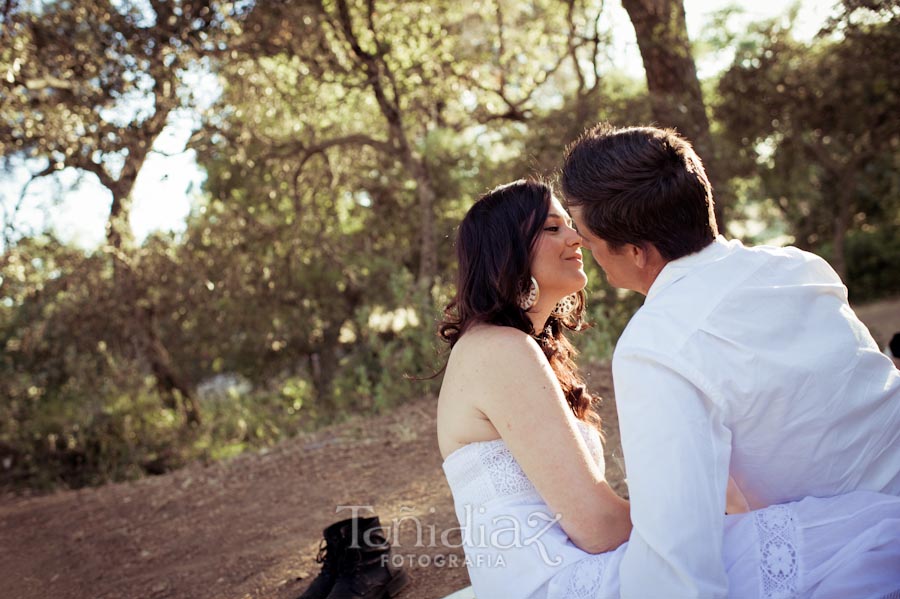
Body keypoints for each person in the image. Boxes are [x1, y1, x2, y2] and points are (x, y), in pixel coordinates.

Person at [559, 124, 900, 597]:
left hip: (860, 552)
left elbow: (675, 556)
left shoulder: (656, 342)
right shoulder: (801, 267)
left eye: (588, 238)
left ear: (636, 252)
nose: (582, 247)